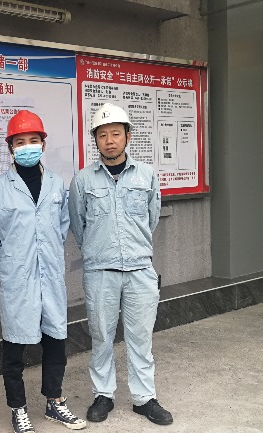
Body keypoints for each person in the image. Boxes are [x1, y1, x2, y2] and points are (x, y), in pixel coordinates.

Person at [0, 110, 86, 433]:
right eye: (20, 142)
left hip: (50, 277)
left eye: (33, 140)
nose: (28, 146)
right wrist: (10, 269)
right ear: (10, 147)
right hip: (17, 281)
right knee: (14, 349)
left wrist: (46, 259)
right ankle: (18, 408)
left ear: (43, 144)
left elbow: (61, 227)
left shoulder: (56, 184)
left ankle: (54, 401)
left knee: (56, 342)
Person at [68, 103, 172, 426]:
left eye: (116, 133)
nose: (109, 140)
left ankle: (144, 398)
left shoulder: (146, 175)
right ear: (95, 140)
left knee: (141, 338)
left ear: (128, 136)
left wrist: (133, 248)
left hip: (140, 270)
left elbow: (151, 218)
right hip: (100, 272)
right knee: (101, 336)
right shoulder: (82, 180)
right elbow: (79, 225)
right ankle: (103, 395)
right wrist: (100, 251)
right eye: (102, 135)